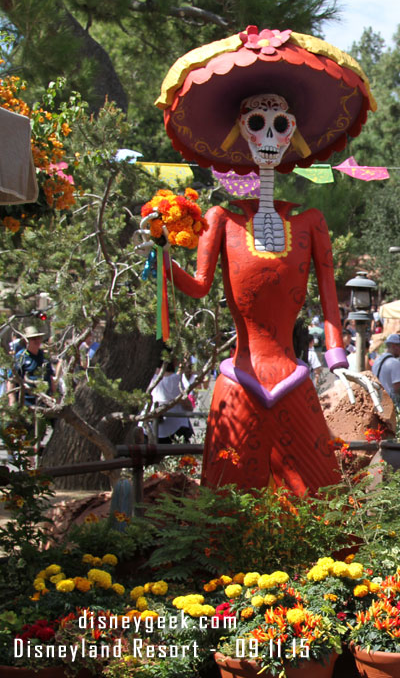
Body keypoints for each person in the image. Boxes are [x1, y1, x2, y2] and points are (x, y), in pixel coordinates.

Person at [156, 28, 374, 493]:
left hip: (293, 377)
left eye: (281, 125)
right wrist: (158, 256)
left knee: (316, 493)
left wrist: (337, 355)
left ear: (293, 134)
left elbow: (330, 298)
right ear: (241, 134)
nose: (269, 136)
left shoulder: (311, 221)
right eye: (257, 123)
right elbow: (197, 286)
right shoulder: (221, 219)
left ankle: (324, 565)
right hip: (239, 376)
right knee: (227, 495)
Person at [7, 326, 53, 408]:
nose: (37, 341)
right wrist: (12, 401)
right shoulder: (20, 357)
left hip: (46, 401)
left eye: (38, 338)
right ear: (26, 341)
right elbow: (11, 381)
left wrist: (53, 394)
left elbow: (50, 377)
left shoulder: (44, 356)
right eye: (33, 338)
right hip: (27, 404)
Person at [150, 360, 194, 444]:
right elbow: (187, 405)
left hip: (152, 425)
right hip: (174, 427)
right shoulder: (175, 379)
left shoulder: (149, 377)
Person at [372, 333, 400, 405]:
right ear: (394, 346)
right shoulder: (395, 363)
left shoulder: (377, 360)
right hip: (389, 403)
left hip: (377, 401)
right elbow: (397, 388)